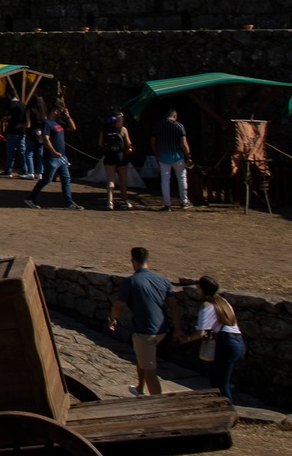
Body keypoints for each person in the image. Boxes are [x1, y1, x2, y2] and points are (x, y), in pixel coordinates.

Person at [108, 246, 175, 396]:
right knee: (142, 358)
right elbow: (174, 306)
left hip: (145, 330)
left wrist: (113, 319)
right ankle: (139, 388)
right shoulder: (163, 280)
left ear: (133, 262)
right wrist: (177, 328)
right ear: (148, 261)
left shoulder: (131, 282)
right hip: (162, 329)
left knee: (150, 369)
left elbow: (119, 305)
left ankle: (157, 402)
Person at [179, 275, 245, 401]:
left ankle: (228, 411)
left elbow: (201, 332)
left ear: (203, 289)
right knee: (216, 377)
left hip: (226, 343)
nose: (197, 291)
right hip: (237, 342)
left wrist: (187, 338)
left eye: (198, 288)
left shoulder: (207, 305)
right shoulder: (223, 302)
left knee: (221, 384)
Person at [28, 104, 80, 210]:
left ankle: (68, 203)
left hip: (62, 158)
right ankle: (31, 198)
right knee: (47, 179)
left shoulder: (59, 123)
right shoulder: (47, 123)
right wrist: (53, 151)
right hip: (51, 157)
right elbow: (45, 139)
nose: (62, 114)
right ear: (55, 111)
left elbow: (73, 128)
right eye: (61, 112)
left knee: (66, 179)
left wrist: (68, 116)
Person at [153, 107, 194, 211]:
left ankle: (167, 204)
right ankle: (184, 201)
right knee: (182, 178)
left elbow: (153, 141)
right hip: (177, 156)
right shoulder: (178, 126)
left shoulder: (158, 126)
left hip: (163, 155)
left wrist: (157, 153)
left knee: (165, 180)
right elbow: (184, 143)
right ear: (175, 116)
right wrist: (188, 156)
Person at [99, 111, 135, 211]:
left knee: (110, 181)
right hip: (121, 157)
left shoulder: (105, 129)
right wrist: (129, 150)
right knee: (123, 180)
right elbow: (128, 144)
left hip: (109, 157)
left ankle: (110, 202)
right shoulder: (123, 129)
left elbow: (100, 143)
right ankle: (124, 200)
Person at [2, 96, 33, 179]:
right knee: (22, 150)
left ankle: (8, 170)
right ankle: (24, 169)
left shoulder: (10, 105)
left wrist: (6, 119)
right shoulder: (23, 105)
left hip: (12, 130)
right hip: (22, 131)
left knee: (11, 151)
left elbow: (7, 117)